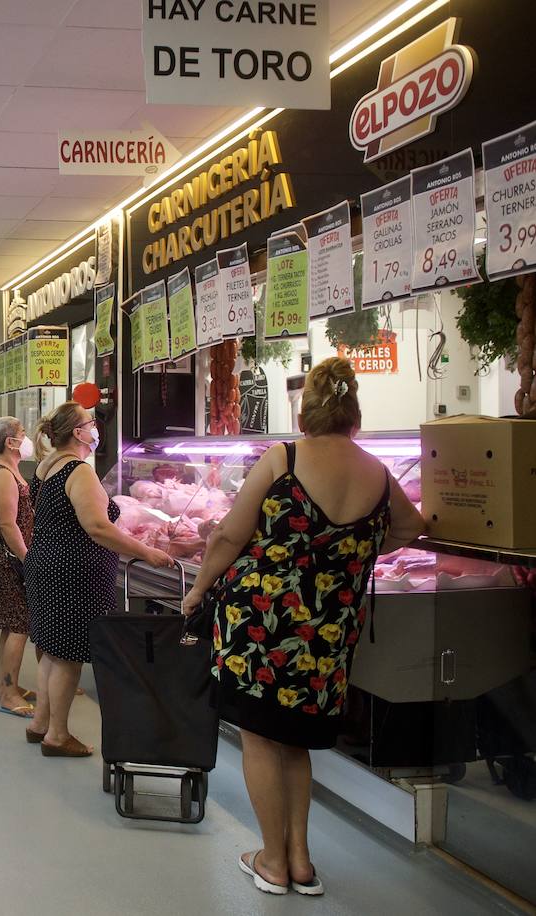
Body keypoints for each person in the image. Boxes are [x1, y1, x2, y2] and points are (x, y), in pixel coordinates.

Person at [181, 358, 424, 897]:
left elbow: (226, 536)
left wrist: (197, 591)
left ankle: (271, 859)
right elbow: (411, 525)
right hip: (328, 632)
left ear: (306, 412)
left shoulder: (284, 457)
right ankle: (300, 861)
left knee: (260, 739)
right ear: (353, 414)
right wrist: (352, 551)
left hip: (263, 624)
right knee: (294, 742)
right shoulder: (378, 471)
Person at [25, 402, 174, 758]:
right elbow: (96, 527)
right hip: (72, 570)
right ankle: (57, 736)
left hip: (46, 564)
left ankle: (40, 723)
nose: (96, 428)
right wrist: (146, 551)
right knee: (67, 656)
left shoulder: (47, 465)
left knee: (50, 648)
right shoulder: (78, 470)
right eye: (91, 423)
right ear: (78, 432)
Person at [0, 416, 39, 717]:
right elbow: (7, 524)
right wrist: (28, 559)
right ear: (10, 442)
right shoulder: (2, 474)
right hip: (8, 558)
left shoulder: (9, 469)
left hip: (9, 556)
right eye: (23, 434)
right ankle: (8, 692)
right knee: (18, 624)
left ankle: (8, 684)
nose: (26, 438)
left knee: (12, 623)